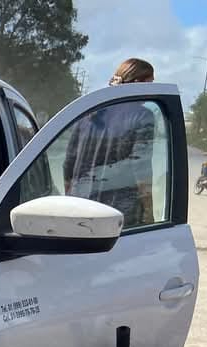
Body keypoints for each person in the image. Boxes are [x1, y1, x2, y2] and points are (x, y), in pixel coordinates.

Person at [63, 58, 156, 228]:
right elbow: (141, 168)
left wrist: (70, 199)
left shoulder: (89, 112)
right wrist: (149, 212)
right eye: (150, 83)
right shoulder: (143, 116)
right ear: (137, 83)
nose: (152, 91)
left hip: (80, 205)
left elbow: (69, 163)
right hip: (119, 212)